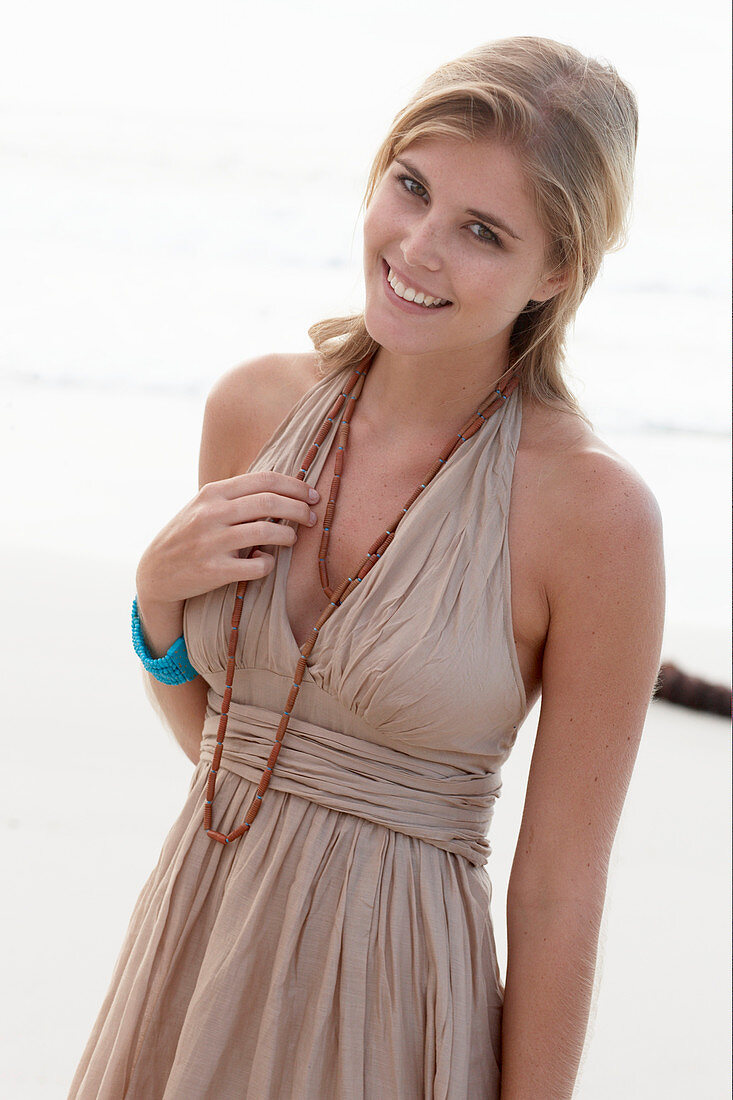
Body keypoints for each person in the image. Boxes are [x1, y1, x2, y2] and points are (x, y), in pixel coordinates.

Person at [68, 35, 665, 1100]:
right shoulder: (253, 407)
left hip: (395, 998)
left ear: (557, 271)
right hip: (194, 952)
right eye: (411, 187)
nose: (418, 248)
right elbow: (235, 754)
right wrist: (156, 608)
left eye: (482, 231)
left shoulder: (595, 517)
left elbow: (559, 890)